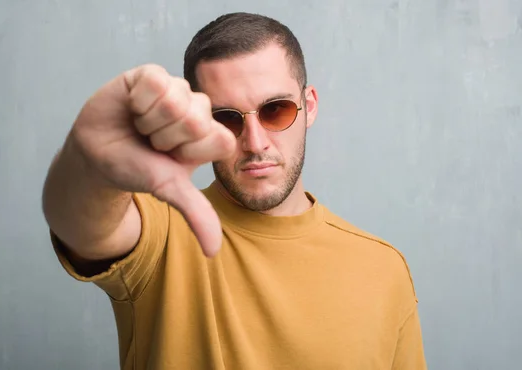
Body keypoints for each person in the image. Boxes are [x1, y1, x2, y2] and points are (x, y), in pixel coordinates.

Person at [42, 12, 427, 370]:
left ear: (308, 106)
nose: (254, 142)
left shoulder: (384, 269)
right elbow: (82, 222)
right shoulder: (162, 235)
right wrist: (87, 163)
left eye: (275, 110)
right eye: (226, 118)